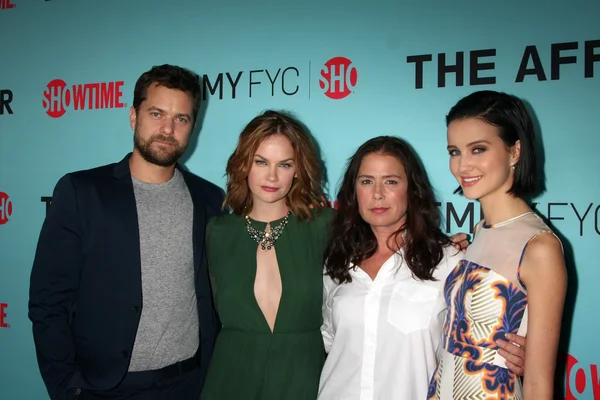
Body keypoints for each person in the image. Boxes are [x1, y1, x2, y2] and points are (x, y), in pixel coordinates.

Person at [28, 64, 224, 400]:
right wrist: (67, 387)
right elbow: (48, 302)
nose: (167, 128)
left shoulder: (209, 199)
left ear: (194, 126)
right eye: (157, 113)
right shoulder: (82, 192)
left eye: (181, 118)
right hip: (105, 388)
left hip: (189, 384)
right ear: (133, 116)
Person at [318, 136, 528, 400]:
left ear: (412, 189)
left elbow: (483, 343)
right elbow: (329, 339)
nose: (378, 193)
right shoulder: (337, 261)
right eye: (367, 181)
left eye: (391, 181)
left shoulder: (450, 260)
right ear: (354, 190)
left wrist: (519, 357)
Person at [428, 90, 567, 399]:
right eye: (454, 151)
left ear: (514, 152)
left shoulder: (539, 247)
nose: (463, 166)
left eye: (478, 149)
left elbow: (538, 383)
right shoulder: (479, 230)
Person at [199, 110, 335, 400]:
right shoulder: (218, 232)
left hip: (303, 376)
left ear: (298, 170)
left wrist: (447, 247)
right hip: (231, 377)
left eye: (284, 164)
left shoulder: (325, 226)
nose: (272, 176)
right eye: (261, 162)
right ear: (244, 165)